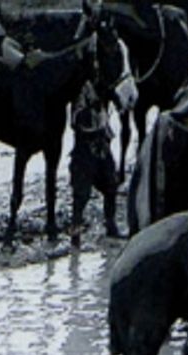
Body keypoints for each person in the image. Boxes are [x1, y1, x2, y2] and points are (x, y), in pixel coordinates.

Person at [69, 79, 120, 245]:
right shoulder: (79, 89)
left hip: (102, 143)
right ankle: (75, 231)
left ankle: (111, 224)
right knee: (81, 194)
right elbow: (76, 119)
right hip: (85, 148)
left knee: (111, 184)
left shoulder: (104, 86)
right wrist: (92, 107)